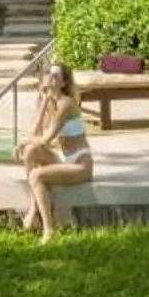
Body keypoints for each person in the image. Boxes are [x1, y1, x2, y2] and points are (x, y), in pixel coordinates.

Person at [14, 63, 95, 240]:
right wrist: (44, 100)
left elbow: (46, 139)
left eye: (55, 76)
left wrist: (21, 143)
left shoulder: (66, 103)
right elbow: (35, 133)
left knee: (36, 175)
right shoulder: (51, 102)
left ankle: (48, 229)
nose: (50, 77)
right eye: (48, 73)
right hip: (65, 160)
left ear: (63, 84)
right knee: (30, 151)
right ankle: (34, 209)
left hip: (81, 165)